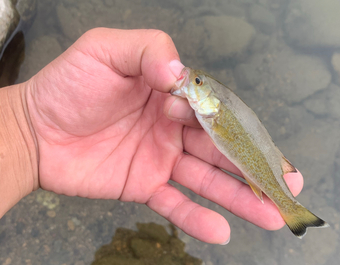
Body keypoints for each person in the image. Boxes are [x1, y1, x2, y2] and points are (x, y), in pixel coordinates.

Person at [0, 28, 303, 244]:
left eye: (197, 82)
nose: (190, 80)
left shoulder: (216, 115)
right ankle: (291, 210)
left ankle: (290, 209)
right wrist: (27, 125)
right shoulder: (208, 112)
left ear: (215, 103)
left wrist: (26, 130)